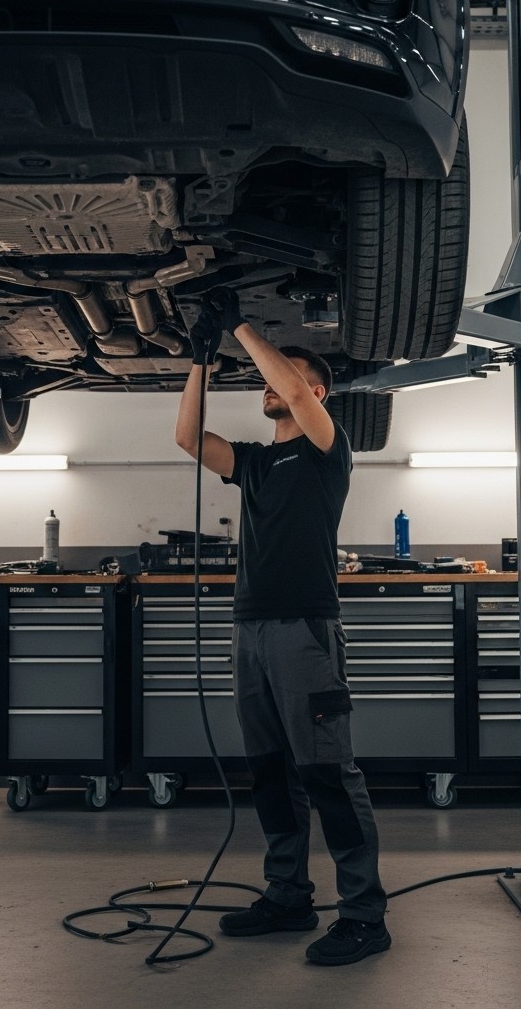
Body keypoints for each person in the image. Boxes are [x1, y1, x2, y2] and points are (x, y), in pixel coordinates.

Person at [174, 287, 390, 967]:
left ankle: (363, 915)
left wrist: (237, 321)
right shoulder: (259, 463)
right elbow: (187, 438)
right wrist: (201, 359)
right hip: (251, 630)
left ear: (315, 391)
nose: (273, 388)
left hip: (304, 631)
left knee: (328, 772)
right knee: (270, 773)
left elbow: (295, 395)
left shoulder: (327, 448)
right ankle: (288, 894)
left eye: (288, 377)